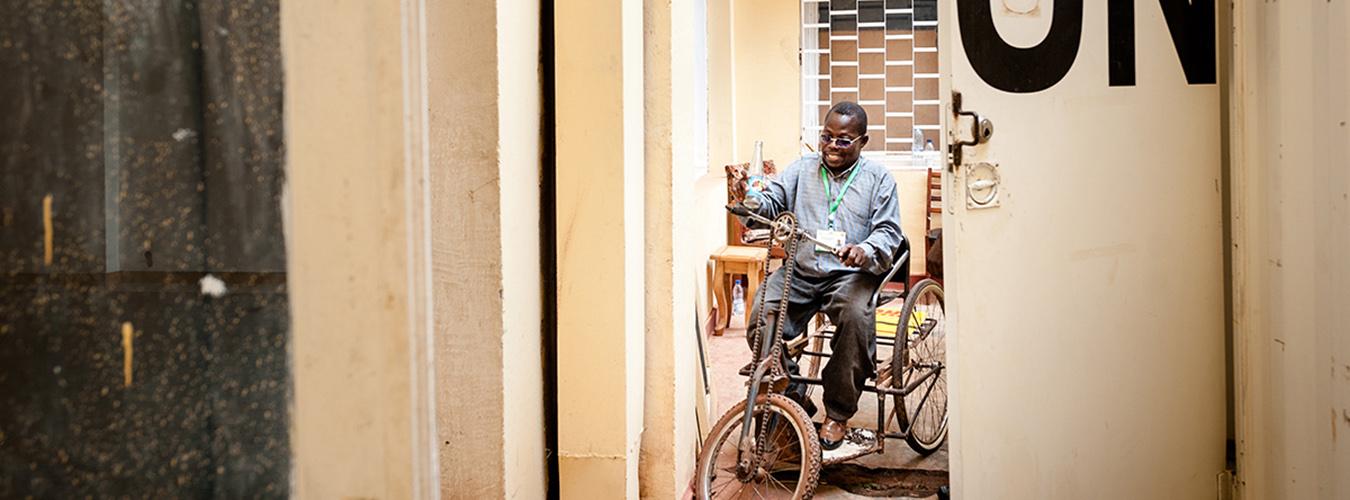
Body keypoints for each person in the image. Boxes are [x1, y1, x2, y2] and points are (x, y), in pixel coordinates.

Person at [732, 101, 903, 450]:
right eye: (827, 137)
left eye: (844, 140)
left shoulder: (879, 179)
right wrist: (751, 202)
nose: (832, 146)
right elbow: (772, 202)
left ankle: (838, 413)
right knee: (761, 316)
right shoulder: (802, 169)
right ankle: (794, 397)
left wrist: (865, 249)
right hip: (802, 269)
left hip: (849, 274)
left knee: (855, 317)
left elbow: (888, 231)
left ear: (862, 142)